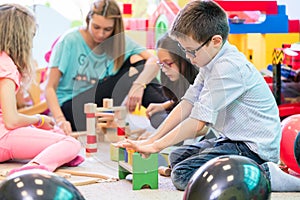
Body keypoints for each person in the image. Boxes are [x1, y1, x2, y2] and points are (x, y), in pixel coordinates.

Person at [117, 0, 300, 192]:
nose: (188, 56)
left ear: (215, 41)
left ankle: (266, 173)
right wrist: (151, 141)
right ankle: (244, 168)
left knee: (181, 174)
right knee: (176, 157)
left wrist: (156, 147)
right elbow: (187, 104)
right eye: (184, 49)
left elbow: (198, 125)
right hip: (232, 140)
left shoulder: (228, 68)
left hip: (253, 149)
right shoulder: (210, 61)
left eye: (191, 50)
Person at [45, 0, 166, 134]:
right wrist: (60, 120)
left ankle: (165, 114)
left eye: (107, 29)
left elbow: (154, 60)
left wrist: (139, 86)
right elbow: (49, 87)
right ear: (88, 19)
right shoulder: (69, 40)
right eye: (96, 27)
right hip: (71, 110)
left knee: (140, 66)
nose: (101, 34)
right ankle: (169, 112)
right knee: (135, 70)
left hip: (101, 108)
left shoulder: (118, 41)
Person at [0, 3, 84, 175]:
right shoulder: (6, 67)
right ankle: (34, 169)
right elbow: (11, 120)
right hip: (2, 138)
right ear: (21, 38)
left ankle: (55, 154)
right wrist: (38, 119)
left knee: (51, 132)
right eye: (31, 36)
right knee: (71, 144)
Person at [145, 33, 198, 129]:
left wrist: (154, 139)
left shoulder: (199, 78)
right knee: (157, 117)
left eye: (168, 63)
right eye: (161, 64)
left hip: (199, 122)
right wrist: (163, 106)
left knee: (165, 122)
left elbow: (194, 107)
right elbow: (183, 100)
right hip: (187, 115)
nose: (164, 70)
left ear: (184, 58)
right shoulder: (178, 80)